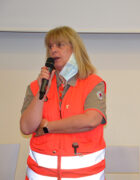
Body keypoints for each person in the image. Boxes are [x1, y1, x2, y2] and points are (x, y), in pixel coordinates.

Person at [20, 26, 107, 180]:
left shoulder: (93, 83)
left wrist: (47, 127)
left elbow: (91, 120)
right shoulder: (36, 86)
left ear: (75, 49)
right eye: (50, 46)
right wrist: (41, 93)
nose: (53, 50)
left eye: (59, 45)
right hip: (40, 175)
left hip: (83, 175)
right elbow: (26, 127)